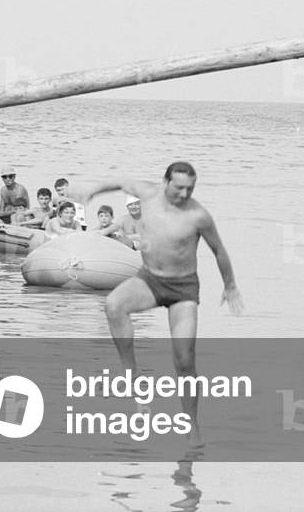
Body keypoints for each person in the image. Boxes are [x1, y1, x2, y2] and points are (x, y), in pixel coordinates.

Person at [78, 162, 244, 448]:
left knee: (184, 362)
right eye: (178, 187)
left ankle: (192, 427)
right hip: (150, 280)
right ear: (165, 181)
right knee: (114, 305)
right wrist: (93, 189)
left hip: (182, 290)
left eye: (190, 188)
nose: (184, 193)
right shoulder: (147, 194)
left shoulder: (198, 216)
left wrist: (229, 285)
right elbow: (121, 180)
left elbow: (219, 250)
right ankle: (132, 379)